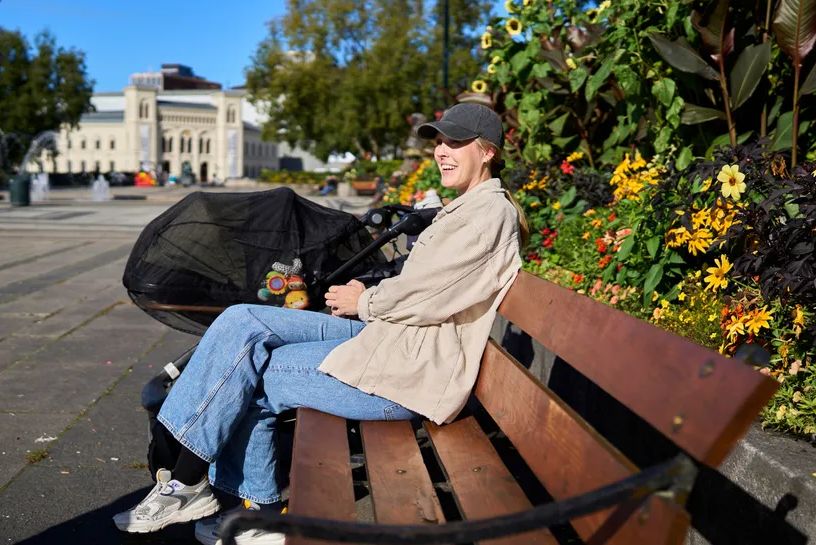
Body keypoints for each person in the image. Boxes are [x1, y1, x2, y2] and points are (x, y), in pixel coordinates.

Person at [112, 103, 529, 545]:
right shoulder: (468, 208)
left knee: (253, 373)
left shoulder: (488, 214)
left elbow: (427, 297)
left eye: (456, 142)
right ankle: (192, 480)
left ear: (487, 152)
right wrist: (364, 300)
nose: (442, 151)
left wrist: (363, 300)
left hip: (411, 371)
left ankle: (233, 500)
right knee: (242, 320)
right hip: (394, 341)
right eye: (440, 142)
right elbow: (429, 288)